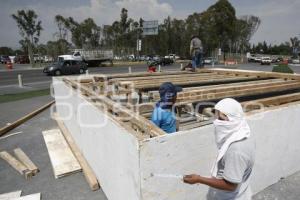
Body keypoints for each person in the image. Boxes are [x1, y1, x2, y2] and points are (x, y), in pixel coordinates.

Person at [183, 98, 256, 200]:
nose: (216, 122)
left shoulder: (236, 150)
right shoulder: (244, 132)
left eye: (221, 119)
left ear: (232, 119)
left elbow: (230, 186)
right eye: (216, 117)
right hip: (242, 192)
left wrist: (199, 179)